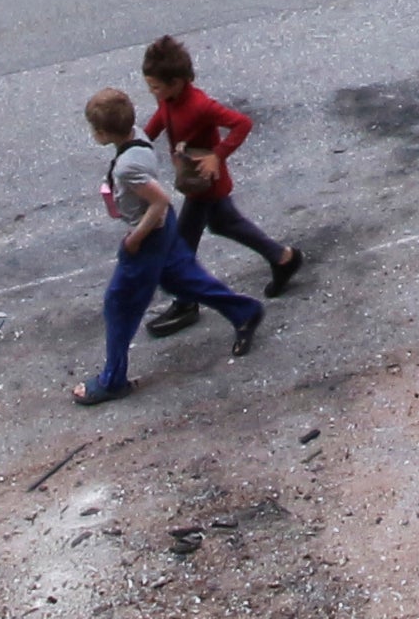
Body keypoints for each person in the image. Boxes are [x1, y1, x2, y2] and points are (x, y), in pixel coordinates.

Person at [79, 85, 260, 406]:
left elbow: (159, 202)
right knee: (184, 280)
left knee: (118, 305)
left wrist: (134, 240)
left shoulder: (126, 167)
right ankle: (244, 311)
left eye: (95, 129)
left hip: (148, 237)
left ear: (103, 133)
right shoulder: (137, 139)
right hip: (163, 231)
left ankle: (113, 380)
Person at [139, 34, 302, 336]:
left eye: (156, 87)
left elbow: (242, 123)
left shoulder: (199, 105)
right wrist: (135, 145)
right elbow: (159, 121)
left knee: (182, 244)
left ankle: (187, 301)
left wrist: (218, 155)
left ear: (176, 82)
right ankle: (283, 258)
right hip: (197, 185)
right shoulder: (170, 101)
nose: (153, 93)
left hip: (206, 185)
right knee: (227, 224)